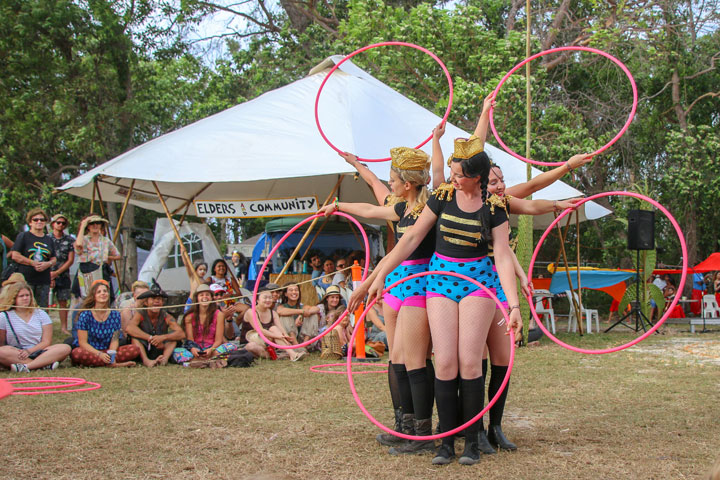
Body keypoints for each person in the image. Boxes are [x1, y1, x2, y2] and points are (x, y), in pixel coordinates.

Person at [350, 134, 523, 466]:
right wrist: (379, 275)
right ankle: (445, 443)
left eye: (459, 174)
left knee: (470, 363)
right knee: (444, 362)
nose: (451, 178)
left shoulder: (494, 207)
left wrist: (513, 305)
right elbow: (411, 237)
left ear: (476, 176)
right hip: (440, 281)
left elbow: (501, 255)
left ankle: (471, 441)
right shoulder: (443, 197)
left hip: (477, 283)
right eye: (453, 172)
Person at [321, 145, 437, 454]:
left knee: (416, 360)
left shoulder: (429, 210)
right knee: (397, 357)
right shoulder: (400, 208)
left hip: (419, 282)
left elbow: (405, 244)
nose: (389, 185)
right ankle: (405, 426)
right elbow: (371, 205)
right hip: (396, 282)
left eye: (393, 180)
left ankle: (422, 433)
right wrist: (339, 203)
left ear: (408, 183)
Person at [0, 282, 71, 371]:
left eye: (27, 295)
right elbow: (2, 343)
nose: (25, 298)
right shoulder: (4, 316)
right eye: (21, 296)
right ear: (14, 298)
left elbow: (46, 342)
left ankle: (27, 367)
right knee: (1, 351)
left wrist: (29, 351)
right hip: (18, 353)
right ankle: (43, 365)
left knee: (65, 348)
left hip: (39, 351)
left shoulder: (41, 314)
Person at [70, 279, 139, 367]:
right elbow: (82, 343)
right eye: (99, 292)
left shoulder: (115, 314)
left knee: (134, 349)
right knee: (77, 353)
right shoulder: (85, 315)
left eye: (105, 291)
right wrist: (100, 354)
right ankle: (112, 364)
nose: (103, 293)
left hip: (108, 350)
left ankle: (108, 362)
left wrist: (111, 356)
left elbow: (115, 339)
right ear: (94, 296)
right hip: (92, 351)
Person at [125, 282, 185, 367]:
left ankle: (164, 359)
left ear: (162, 302)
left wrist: (163, 337)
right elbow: (130, 328)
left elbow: (181, 333)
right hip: (145, 346)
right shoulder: (140, 313)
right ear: (146, 303)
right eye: (153, 299)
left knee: (173, 339)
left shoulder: (166, 316)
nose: (156, 301)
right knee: (135, 338)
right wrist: (150, 338)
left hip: (160, 347)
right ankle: (146, 361)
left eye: (159, 299)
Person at [243, 287, 307, 361]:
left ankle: (292, 354)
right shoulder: (251, 312)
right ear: (257, 300)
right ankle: (274, 355)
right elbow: (260, 330)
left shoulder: (273, 313)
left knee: (273, 328)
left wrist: (285, 337)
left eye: (270, 298)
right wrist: (279, 336)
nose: (268, 300)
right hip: (252, 341)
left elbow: (280, 328)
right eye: (265, 298)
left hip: (268, 343)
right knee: (251, 346)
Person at [10, 208, 57, 307]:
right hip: (26, 280)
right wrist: (32, 263)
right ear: (30, 222)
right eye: (35, 219)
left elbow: (54, 258)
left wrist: (47, 264)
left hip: (43, 280)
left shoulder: (49, 239)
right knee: (25, 307)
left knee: (41, 310)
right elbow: (15, 255)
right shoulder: (23, 236)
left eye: (42, 219)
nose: (39, 222)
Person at [177, 284, 238, 361]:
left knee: (232, 347)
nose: (204, 297)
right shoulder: (189, 316)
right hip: (195, 349)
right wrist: (193, 349)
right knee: (177, 351)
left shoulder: (219, 314)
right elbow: (190, 340)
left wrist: (211, 349)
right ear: (197, 298)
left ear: (211, 298)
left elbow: (218, 340)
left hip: (212, 349)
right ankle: (205, 358)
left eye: (207, 295)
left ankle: (199, 359)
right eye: (201, 295)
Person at [72, 215, 121, 301]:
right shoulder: (84, 239)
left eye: (97, 223)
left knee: (103, 297)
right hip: (86, 272)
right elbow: (78, 245)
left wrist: (106, 257)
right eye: (92, 223)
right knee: (86, 298)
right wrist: (83, 226)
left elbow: (118, 255)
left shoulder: (106, 240)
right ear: (88, 226)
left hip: (101, 271)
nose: (95, 225)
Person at [49, 214, 75, 334]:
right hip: (47, 274)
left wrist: (57, 272)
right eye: (58, 222)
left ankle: (64, 327)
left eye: (63, 223)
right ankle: (45, 327)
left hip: (63, 274)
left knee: (63, 301)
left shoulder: (69, 240)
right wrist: (50, 274)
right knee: (44, 302)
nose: (60, 225)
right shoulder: (46, 238)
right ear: (52, 223)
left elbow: (70, 260)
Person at [277, 282, 321, 347]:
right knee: (285, 316)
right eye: (291, 290)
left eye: (296, 290)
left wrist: (301, 315)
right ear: (286, 294)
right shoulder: (282, 306)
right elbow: (280, 311)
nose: (294, 292)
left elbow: (316, 309)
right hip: (290, 339)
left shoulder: (302, 306)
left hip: (302, 338)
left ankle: (304, 345)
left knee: (313, 315)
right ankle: (296, 346)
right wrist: (301, 312)